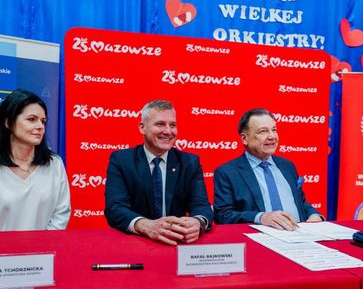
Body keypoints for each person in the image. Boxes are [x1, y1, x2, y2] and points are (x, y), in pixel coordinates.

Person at [0, 89, 71, 231]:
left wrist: (43, 243)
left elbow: (60, 215)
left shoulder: (55, 164)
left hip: (46, 245)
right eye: (31, 119)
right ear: (8, 122)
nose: (40, 126)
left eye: (43, 121)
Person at [105, 99, 213, 245]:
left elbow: (201, 206)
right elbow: (115, 209)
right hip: (136, 243)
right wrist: (146, 226)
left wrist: (198, 222)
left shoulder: (190, 162)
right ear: (142, 128)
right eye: (160, 124)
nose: (168, 131)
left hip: (177, 242)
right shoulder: (121, 160)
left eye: (172, 125)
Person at [213, 108, 323, 230]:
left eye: (274, 130)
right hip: (258, 239)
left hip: (299, 235)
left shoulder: (288, 166)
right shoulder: (227, 172)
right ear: (244, 138)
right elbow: (223, 215)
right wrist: (260, 217)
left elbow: (300, 202)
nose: (272, 136)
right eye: (263, 131)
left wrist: (314, 215)